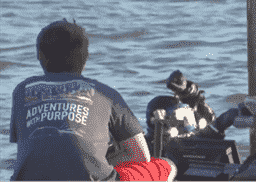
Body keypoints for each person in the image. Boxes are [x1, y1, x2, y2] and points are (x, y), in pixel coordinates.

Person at [9, 18, 175, 181]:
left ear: (40, 56)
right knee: (165, 166)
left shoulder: (22, 91)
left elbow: (37, 153)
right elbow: (141, 156)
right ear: (85, 58)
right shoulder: (105, 93)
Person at [145, 70, 253, 156]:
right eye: (180, 120)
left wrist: (189, 92)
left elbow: (225, 119)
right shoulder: (148, 146)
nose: (184, 124)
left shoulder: (194, 139)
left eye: (186, 119)